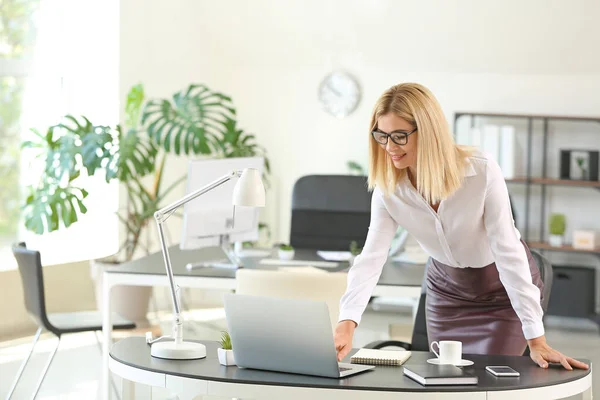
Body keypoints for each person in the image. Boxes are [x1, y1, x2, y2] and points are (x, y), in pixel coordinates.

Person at [334, 82, 589, 371]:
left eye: (400, 136)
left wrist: (536, 336)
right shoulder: (389, 189)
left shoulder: (479, 171)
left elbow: (508, 250)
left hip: (500, 294)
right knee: (446, 381)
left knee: (484, 384)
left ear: (428, 132)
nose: (390, 147)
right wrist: (348, 320)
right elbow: (371, 259)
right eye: (382, 135)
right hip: (446, 295)